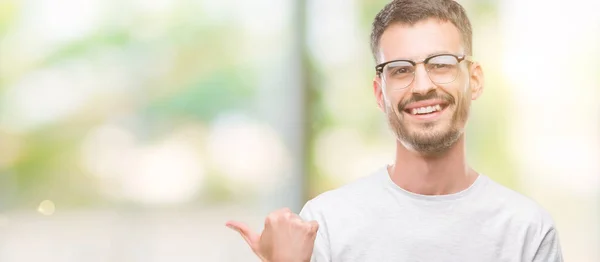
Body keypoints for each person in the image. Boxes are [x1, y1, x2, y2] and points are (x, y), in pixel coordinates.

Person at [226, 0, 564, 261]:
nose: (421, 86)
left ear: (473, 80)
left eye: (441, 64)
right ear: (379, 93)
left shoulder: (527, 231)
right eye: (401, 70)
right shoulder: (324, 225)